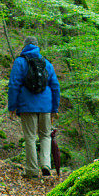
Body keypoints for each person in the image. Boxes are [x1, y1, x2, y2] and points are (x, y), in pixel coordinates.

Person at [8, 36, 60, 178]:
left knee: (30, 137)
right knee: (45, 136)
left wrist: (12, 107)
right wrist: (55, 108)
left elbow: (14, 85)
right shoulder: (46, 63)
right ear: (37, 46)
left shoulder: (20, 62)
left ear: (25, 46)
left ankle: (31, 170)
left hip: (27, 105)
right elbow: (55, 86)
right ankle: (46, 165)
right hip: (46, 106)